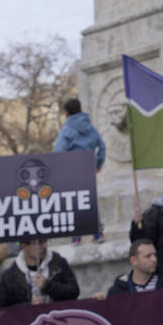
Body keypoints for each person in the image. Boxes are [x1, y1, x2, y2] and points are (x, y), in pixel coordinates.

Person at [54, 97, 107, 243]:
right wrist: (98, 164)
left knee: (75, 201)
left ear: (66, 113)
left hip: (72, 170)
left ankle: (76, 237)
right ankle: (98, 234)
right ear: (80, 109)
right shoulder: (91, 128)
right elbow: (102, 146)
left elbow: (59, 152)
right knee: (91, 200)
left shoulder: (66, 130)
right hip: (88, 168)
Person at [0, 239, 79, 308]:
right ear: (24, 246)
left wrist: (48, 286)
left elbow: (74, 292)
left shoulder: (58, 262)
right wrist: (29, 306)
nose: (45, 246)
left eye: (45, 241)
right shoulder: (10, 275)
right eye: (39, 243)